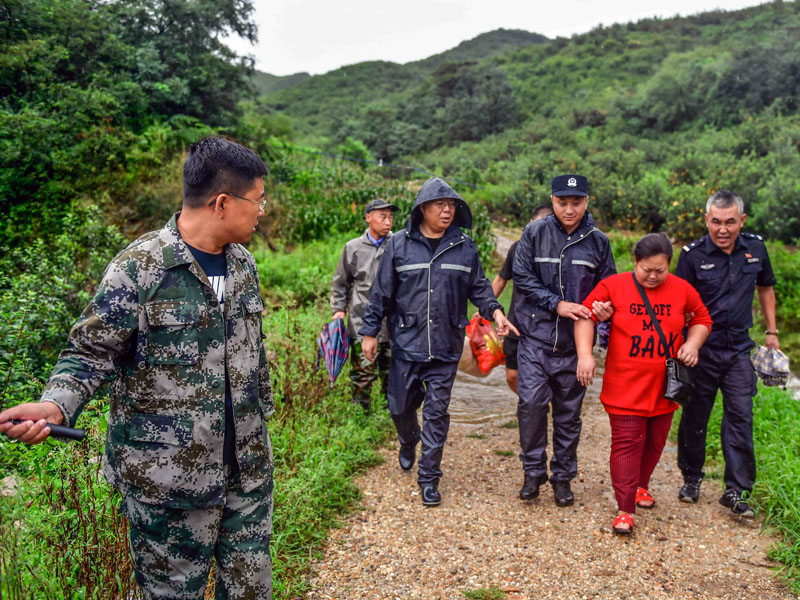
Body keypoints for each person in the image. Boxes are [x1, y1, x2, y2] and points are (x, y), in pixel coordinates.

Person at [0, 137, 275, 599]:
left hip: (246, 473)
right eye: (258, 200)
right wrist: (56, 405)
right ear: (223, 203)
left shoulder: (243, 264)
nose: (262, 210)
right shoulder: (140, 269)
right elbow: (89, 352)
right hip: (168, 485)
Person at [359, 177, 517, 506]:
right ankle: (407, 438)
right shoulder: (399, 245)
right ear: (422, 210)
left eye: (451, 206)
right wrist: (370, 332)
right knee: (400, 406)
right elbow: (381, 293)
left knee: (436, 412)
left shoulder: (464, 246)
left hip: (446, 346)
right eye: (439, 205)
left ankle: (429, 479)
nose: (446, 210)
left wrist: (497, 313)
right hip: (407, 343)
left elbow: (480, 288)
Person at [575, 233, 712, 534]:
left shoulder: (682, 289)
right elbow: (585, 316)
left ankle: (641, 486)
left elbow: (703, 318)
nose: (652, 276)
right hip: (625, 385)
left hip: (665, 387)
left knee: (654, 442)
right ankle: (625, 508)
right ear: (635, 261)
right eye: (646, 269)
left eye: (659, 270)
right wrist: (585, 356)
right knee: (627, 444)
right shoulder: (614, 285)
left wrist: (693, 343)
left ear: (669, 266)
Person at [511, 174, 616, 506]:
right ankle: (532, 473)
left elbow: (610, 285)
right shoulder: (534, 232)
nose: (569, 210)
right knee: (530, 407)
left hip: (575, 347)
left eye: (576, 203)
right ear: (553, 201)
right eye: (562, 203)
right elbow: (522, 277)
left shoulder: (598, 241)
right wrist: (554, 303)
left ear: (587, 202)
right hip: (535, 339)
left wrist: (605, 308)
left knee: (569, 415)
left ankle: (563, 478)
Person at [674, 190, 779, 519]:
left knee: (740, 417)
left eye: (730, 222)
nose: (722, 229)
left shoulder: (756, 249)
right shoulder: (691, 255)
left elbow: (766, 287)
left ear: (742, 221)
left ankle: (736, 490)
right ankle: (692, 478)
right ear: (706, 220)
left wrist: (772, 332)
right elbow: (678, 303)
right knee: (695, 417)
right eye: (716, 222)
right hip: (701, 350)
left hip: (739, 351)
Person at [330, 198, 399, 411]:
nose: (388, 221)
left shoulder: (398, 245)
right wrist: (339, 311)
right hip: (361, 321)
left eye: (390, 217)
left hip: (393, 323)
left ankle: (392, 416)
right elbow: (341, 283)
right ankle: (362, 416)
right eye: (382, 216)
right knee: (362, 375)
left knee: (394, 375)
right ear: (368, 218)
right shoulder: (353, 248)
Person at [492, 205, 553, 393]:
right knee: (512, 374)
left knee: (543, 370)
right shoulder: (517, 248)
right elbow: (501, 279)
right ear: (529, 224)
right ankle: (528, 401)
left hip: (545, 324)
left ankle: (534, 405)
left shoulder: (557, 253)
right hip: (516, 321)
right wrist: (485, 306)